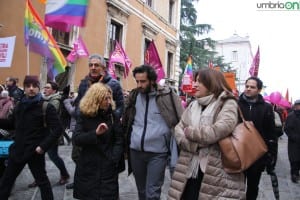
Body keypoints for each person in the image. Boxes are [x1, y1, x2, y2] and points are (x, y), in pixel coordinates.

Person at [168, 69, 245, 200]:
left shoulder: (227, 102)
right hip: (188, 166)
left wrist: (190, 133)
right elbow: (179, 129)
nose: (194, 85)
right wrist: (193, 145)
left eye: (199, 82)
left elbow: (221, 129)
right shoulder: (193, 105)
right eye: (195, 81)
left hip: (215, 169)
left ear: (212, 83)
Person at [122, 64, 183, 200]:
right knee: (142, 191)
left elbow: (181, 119)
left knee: (152, 192)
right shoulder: (134, 96)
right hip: (136, 151)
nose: (139, 85)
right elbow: (127, 121)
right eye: (137, 81)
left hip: (158, 153)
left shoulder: (167, 96)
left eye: (143, 81)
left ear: (152, 80)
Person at [66, 53, 124, 190]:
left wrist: (111, 120)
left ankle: (102, 181)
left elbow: (121, 105)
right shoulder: (84, 83)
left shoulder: (113, 84)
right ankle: (81, 178)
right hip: (85, 126)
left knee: (102, 157)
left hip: (105, 128)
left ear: (103, 67)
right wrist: (79, 116)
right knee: (78, 155)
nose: (93, 68)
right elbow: (80, 101)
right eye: (90, 65)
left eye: (96, 65)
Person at [0, 75, 63, 200]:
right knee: (6, 181)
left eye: (34, 86)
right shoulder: (19, 105)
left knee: (42, 182)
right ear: (24, 88)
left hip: (35, 152)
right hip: (18, 150)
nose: (31, 89)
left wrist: (42, 147)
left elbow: (58, 129)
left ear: (38, 88)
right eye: (28, 86)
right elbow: (11, 124)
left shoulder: (46, 107)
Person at [72, 83, 124, 199]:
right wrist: (95, 134)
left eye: (109, 98)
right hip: (88, 166)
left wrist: (114, 158)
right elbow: (77, 139)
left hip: (108, 166)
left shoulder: (113, 116)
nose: (109, 101)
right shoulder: (84, 116)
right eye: (105, 98)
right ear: (96, 99)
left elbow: (119, 140)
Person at [238, 76, 275, 200]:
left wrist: (271, 156)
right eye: (247, 86)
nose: (248, 89)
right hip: (238, 152)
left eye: (252, 87)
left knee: (253, 187)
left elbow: (271, 133)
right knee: (236, 187)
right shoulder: (235, 104)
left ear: (259, 90)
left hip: (257, 155)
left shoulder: (267, 107)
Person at [28, 81, 70, 188]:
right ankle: (39, 178)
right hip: (42, 132)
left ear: (54, 90)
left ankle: (64, 175)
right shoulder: (43, 99)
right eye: (44, 87)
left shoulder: (55, 100)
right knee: (38, 157)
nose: (45, 89)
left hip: (51, 134)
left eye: (47, 88)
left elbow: (50, 114)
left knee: (53, 156)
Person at [284, 99, 300, 183]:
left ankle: (296, 174)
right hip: (293, 143)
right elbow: (287, 129)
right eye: (298, 105)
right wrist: (293, 137)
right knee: (294, 159)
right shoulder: (291, 116)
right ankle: (294, 175)